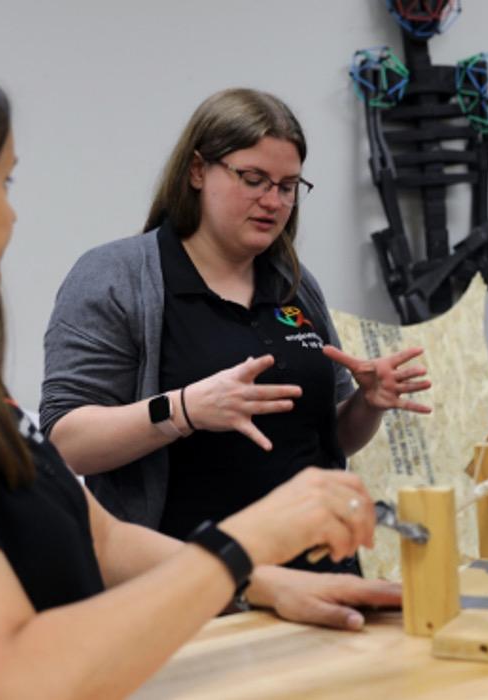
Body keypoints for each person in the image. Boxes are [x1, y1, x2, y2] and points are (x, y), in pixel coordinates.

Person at [0, 35, 397, 698]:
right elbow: (1, 680)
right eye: (2, 181)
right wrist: (245, 540)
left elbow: (104, 541)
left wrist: (264, 580)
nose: (12, 210)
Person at [41, 89, 431, 572]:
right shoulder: (116, 276)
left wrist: (366, 404)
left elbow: (331, 440)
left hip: (321, 574)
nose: (272, 202)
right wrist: (184, 410)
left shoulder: (293, 281)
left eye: (288, 186)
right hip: (192, 586)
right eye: (253, 180)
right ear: (198, 171)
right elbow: (65, 444)